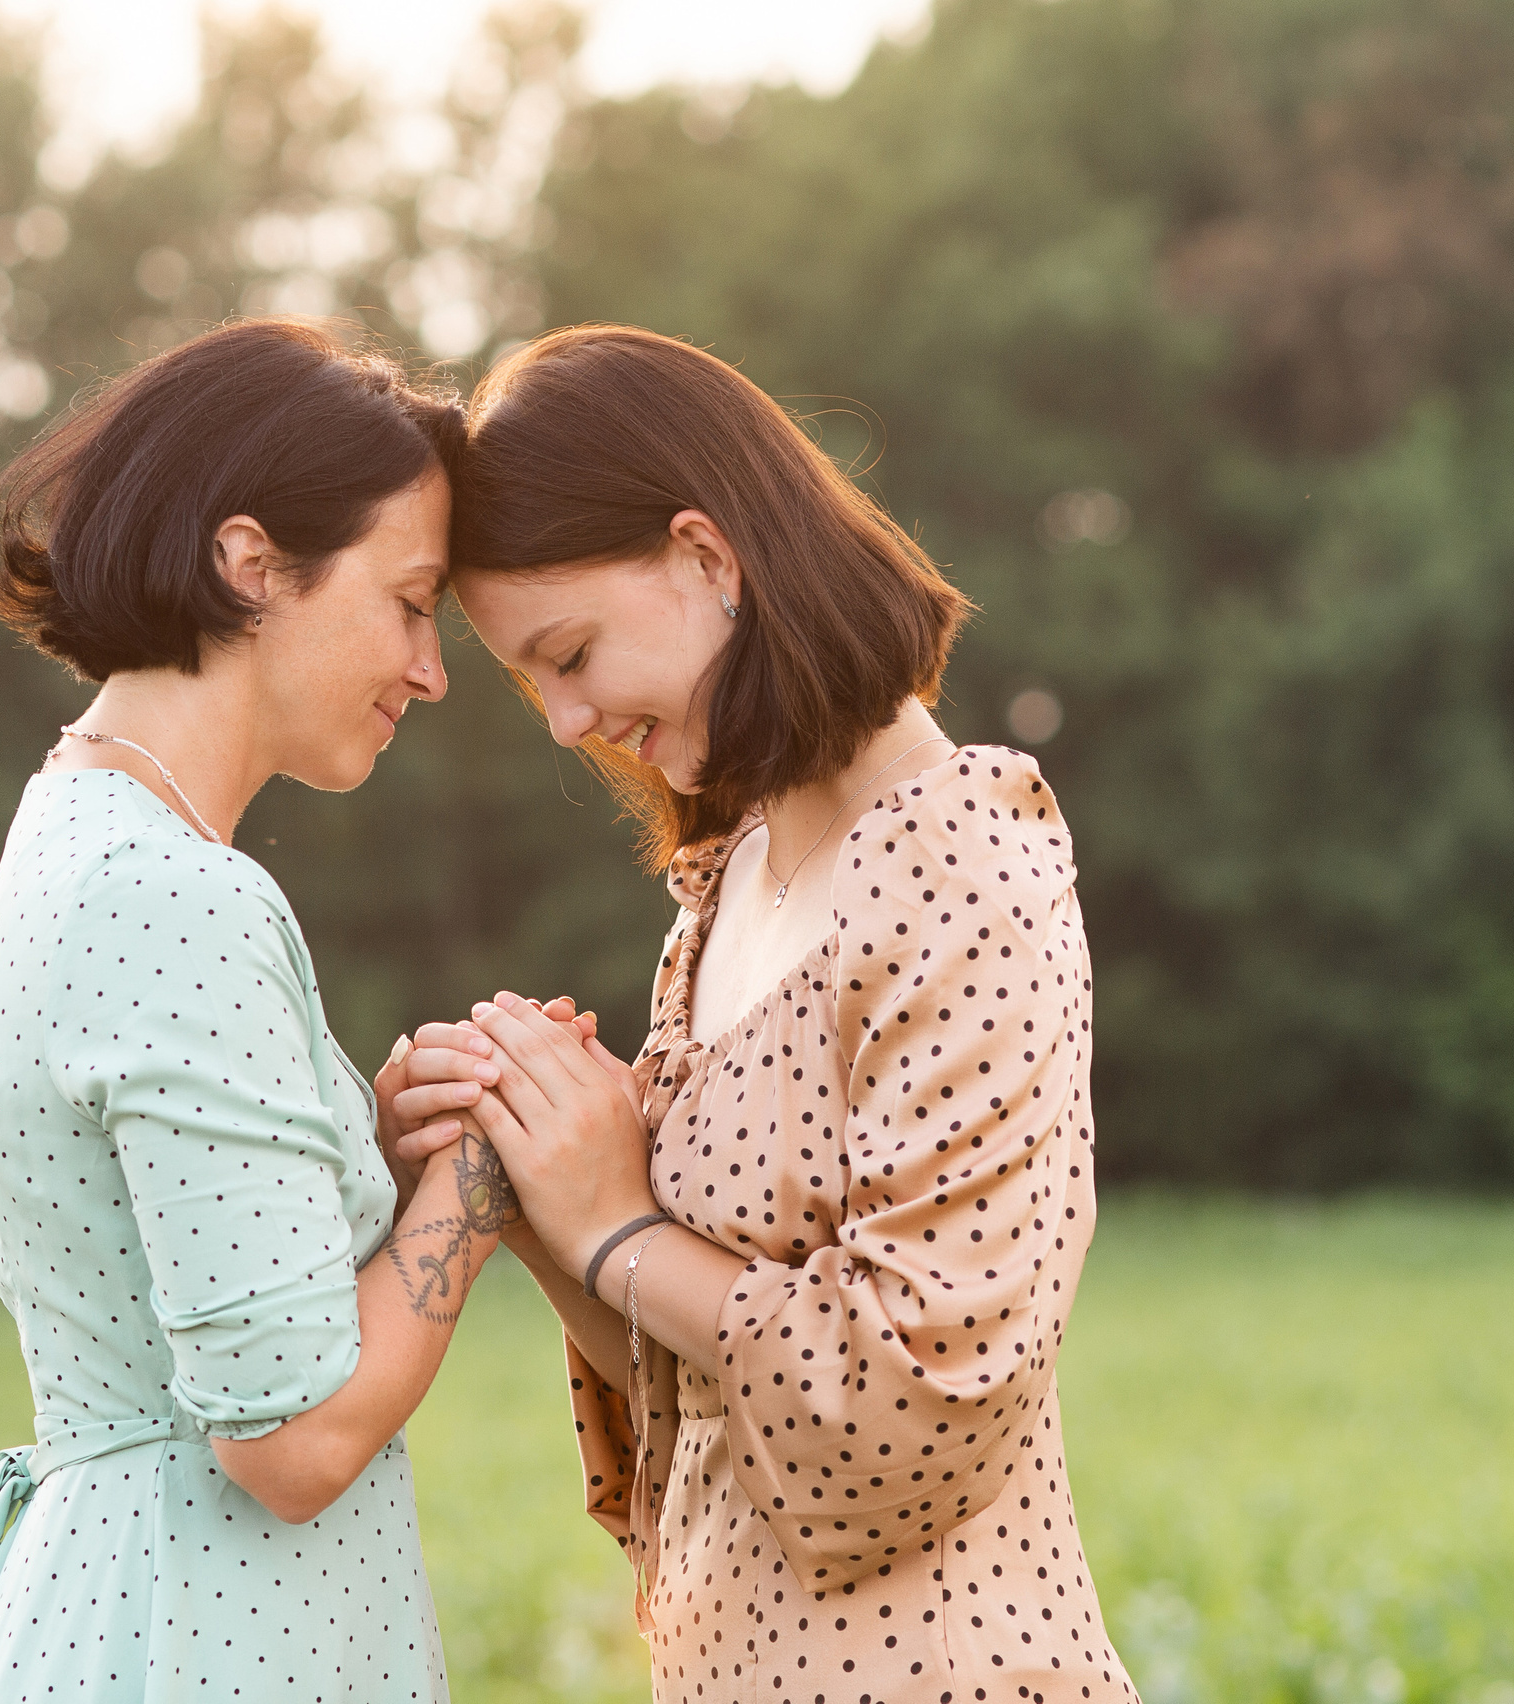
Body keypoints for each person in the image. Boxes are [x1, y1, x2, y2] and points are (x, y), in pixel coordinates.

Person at [394, 325, 1139, 1703]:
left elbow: (911, 1417)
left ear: (707, 558)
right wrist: (523, 1163)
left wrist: (615, 1220)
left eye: (570, 654)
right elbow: (697, 1390)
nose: (563, 722)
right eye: (529, 684)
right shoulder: (730, 880)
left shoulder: (963, 863)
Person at [0, 320, 518, 1704]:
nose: (431, 670)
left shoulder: (81, 838)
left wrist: (371, 1153)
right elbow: (294, 1440)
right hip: (201, 1640)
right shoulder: (171, 894)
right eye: (410, 601)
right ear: (252, 565)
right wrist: (487, 1167)